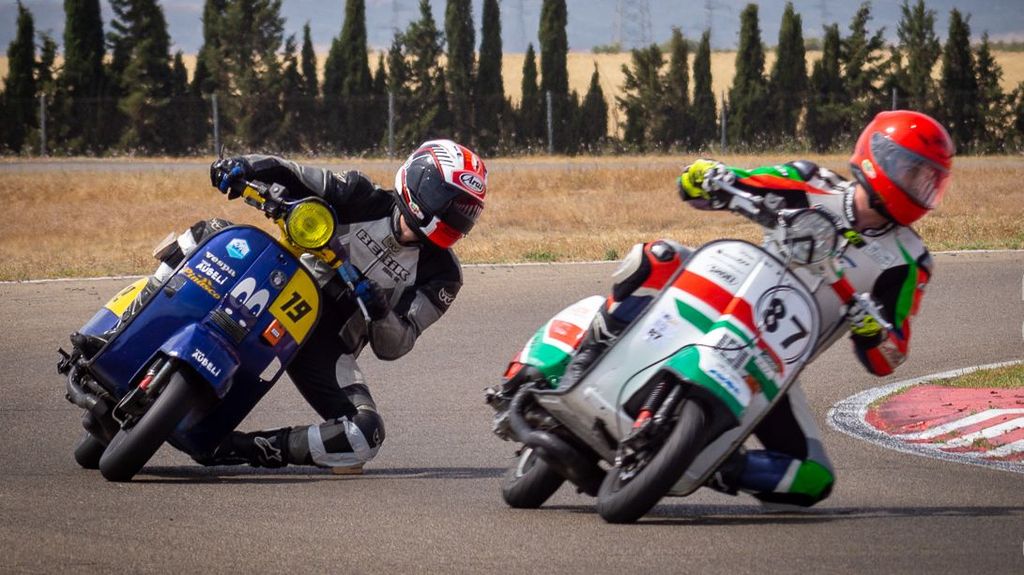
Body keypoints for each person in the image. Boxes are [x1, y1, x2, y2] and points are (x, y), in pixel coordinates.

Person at [558, 110, 954, 507]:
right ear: (878, 157)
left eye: (929, 180)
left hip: (775, 364)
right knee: (658, 256)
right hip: (727, 295)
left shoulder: (909, 260)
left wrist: (874, 330)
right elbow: (728, 183)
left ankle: (711, 465)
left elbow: (892, 353)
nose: (919, 186)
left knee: (813, 479)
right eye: (912, 171)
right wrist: (707, 174)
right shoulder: (810, 182)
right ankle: (586, 356)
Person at [77, 139, 487, 473]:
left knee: (365, 435)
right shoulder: (359, 193)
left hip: (328, 344)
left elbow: (397, 345)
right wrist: (240, 167)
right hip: (275, 283)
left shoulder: (444, 275)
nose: (456, 215)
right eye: (450, 201)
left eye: (465, 210)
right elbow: (289, 172)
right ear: (420, 182)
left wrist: (379, 311)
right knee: (213, 233)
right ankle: (116, 330)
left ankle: (245, 449)